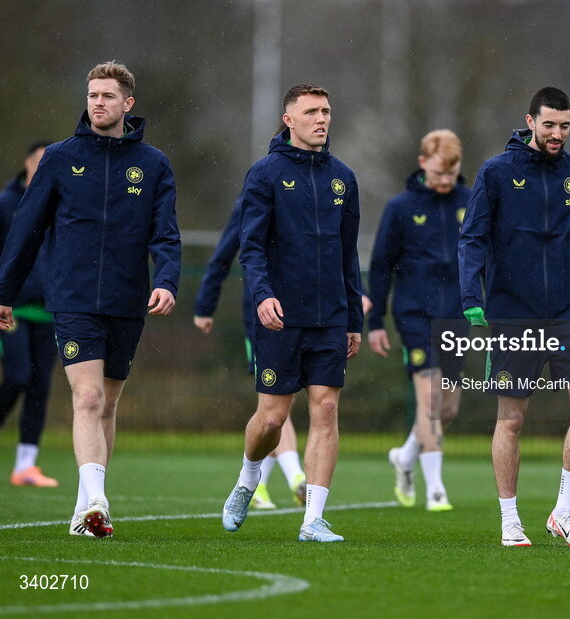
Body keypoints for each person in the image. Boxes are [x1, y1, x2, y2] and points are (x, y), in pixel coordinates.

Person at [0, 61, 181, 539]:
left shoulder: (153, 165)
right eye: (92, 95)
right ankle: (98, 501)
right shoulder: (59, 157)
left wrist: (168, 281)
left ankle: (83, 509)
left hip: (127, 299)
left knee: (108, 404)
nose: (98, 103)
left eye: (108, 96)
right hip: (72, 298)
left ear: (127, 104)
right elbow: (26, 231)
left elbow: (166, 235)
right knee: (88, 396)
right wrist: (3, 293)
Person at [459, 87, 570, 548]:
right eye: (549, 125)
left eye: (565, 126)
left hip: (569, 312)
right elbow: (473, 239)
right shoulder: (497, 172)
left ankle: (562, 513)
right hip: (512, 313)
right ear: (530, 122)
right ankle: (510, 519)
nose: (558, 134)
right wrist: (471, 297)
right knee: (512, 419)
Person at [221, 83, 362, 543]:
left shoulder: (344, 177)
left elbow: (347, 255)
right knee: (272, 419)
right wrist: (262, 295)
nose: (321, 119)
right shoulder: (264, 174)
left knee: (325, 408)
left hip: (331, 317)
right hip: (280, 316)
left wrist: (354, 321)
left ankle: (313, 519)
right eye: (311, 112)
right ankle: (248, 477)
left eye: (326, 110)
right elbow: (253, 246)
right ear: (289, 120)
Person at [368, 130, 470, 512]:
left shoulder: (471, 200)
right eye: (440, 172)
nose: (446, 180)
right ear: (423, 161)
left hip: (458, 314)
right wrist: (375, 320)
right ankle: (436, 489)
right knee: (428, 399)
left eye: (452, 172)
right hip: (415, 314)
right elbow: (380, 267)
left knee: (448, 408)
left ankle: (405, 456)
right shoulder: (401, 207)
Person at [193, 186, 306, 510]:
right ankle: (295, 475)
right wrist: (205, 304)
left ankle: (260, 484)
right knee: (274, 405)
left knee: (281, 406)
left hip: (306, 315)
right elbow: (226, 251)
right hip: (264, 316)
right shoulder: (256, 194)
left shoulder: (320, 190)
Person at [0, 141, 60, 487]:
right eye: (38, 161)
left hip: (49, 310)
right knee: (19, 376)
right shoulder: (3, 205)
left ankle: (26, 464)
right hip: (11, 309)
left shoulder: (60, 206)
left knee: (40, 386)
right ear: (26, 163)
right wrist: (9, 285)